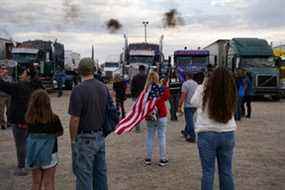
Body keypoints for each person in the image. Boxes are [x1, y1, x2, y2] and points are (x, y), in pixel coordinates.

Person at [191, 67, 237, 190]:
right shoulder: (231, 91)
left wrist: (204, 83)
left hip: (207, 133)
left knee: (208, 171)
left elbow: (193, 102)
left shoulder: (203, 89)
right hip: (227, 133)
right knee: (226, 171)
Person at [69, 57, 109, 190]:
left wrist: (73, 140)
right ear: (94, 70)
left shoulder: (78, 90)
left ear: (80, 71)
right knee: (100, 174)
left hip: (85, 138)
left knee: (84, 176)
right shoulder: (103, 87)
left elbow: (75, 119)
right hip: (100, 135)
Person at [0, 68, 41, 176]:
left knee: (21, 144)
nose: (21, 75)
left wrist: (1, 75)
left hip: (20, 120)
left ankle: (22, 167)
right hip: (32, 120)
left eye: (23, 73)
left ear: (28, 76)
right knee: (30, 143)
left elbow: (3, 85)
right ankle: (31, 163)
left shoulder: (20, 86)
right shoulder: (36, 86)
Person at [25, 90, 63, 190]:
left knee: (36, 182)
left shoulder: (29, 118)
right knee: (49, 182)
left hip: (34, 152)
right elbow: (60, 132)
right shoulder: (54, 118)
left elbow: (28, 134)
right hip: (50, 152)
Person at [144, 71, 170, 166]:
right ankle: (162, 158)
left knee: (150, 136)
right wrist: (166, 86)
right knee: (161, 137)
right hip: (161, 114)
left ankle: (148, 158)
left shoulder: (146, 90)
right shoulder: (161, 88)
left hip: (150, 115)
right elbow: (166, 97)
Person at [178, 72, 198, 142]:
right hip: (195, 105)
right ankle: (186, 132)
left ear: (186, 76)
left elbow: (183, 95)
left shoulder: (185, 84)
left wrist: (179, 105)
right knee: (189, 119)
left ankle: (192, 136)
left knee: (190, 121)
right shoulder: (196, 84)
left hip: (188, 105)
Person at [130, 65, 147, 132]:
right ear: (144, 70)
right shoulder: (146, 77)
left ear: (139, 70)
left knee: (137, 112)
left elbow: (132, 88)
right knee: (147, 110)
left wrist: (133, 96)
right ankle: (151, 125)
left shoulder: (135, 77)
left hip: (136, 96)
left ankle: (137, 127)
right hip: (145, 96)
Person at [0, 65, 11, 129]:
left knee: (9, 110)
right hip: (1, 96)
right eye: (2, 68)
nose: (4, 70)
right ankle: (2, 124)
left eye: (5, 69)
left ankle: (9, 122)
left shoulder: (9, 77)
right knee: (1, 110)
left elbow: (10, 85)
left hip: (8, 95)